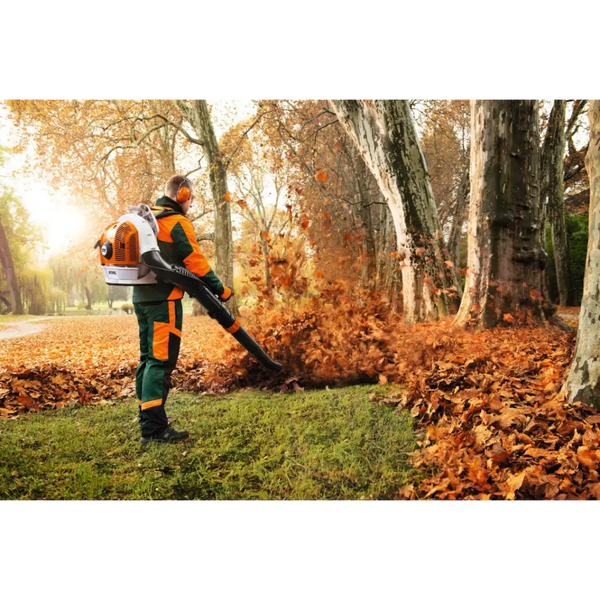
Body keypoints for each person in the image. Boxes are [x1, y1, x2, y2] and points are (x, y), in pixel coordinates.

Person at [133, 175, 233, 445]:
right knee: (160, 361)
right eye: (192, 197)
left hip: (141, 299)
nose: (192, 203)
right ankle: (154, 429)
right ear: (184, 194)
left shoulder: (147, 217)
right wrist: (221, 290)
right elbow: (195, 261)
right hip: (164, 300)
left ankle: (147, 417)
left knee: (146, 358)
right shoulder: (176, 222)